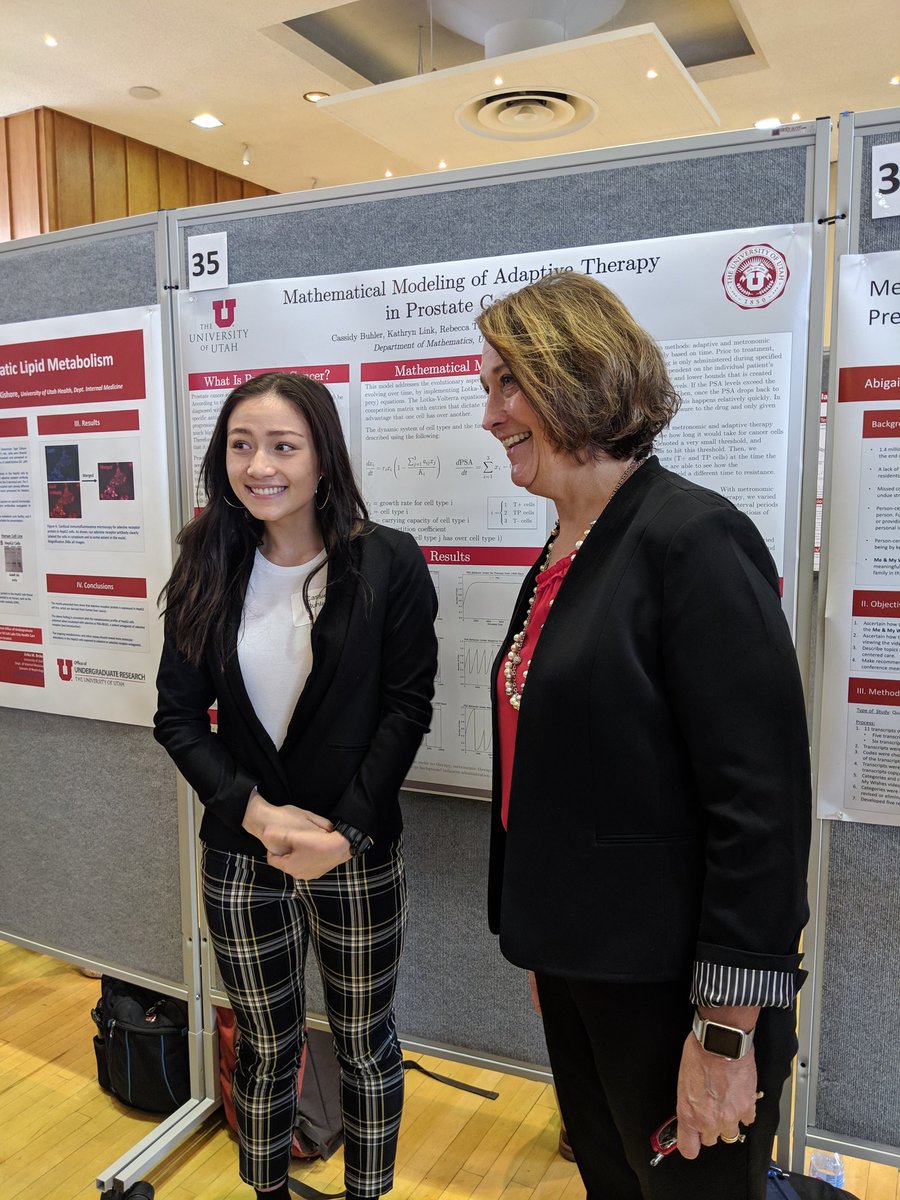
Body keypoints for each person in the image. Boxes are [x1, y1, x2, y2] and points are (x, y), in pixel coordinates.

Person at [477, 274, 811, 1200]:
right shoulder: (564, 547)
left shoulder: (693, 540)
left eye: (509, 383)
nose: (491, 413)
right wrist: (548, 941)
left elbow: (761, 810)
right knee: (616, 1184)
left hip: (679, 990)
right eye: (487, 386)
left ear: (572, 376)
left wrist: (727, 1033)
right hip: (583, 961)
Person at [154, 371, 437, 1200]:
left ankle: (365, 1193)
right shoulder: (208, 558)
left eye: (283, 445)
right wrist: (259, 814)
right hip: (243, 857)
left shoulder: (387, 560)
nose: (260, 464)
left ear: (322, 458)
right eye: (242, 445)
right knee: (268, 1044)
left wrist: (341, 833)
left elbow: (405, 708)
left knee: (363, 1042)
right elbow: (177, 717)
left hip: (355, 849)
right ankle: (267, 1190)